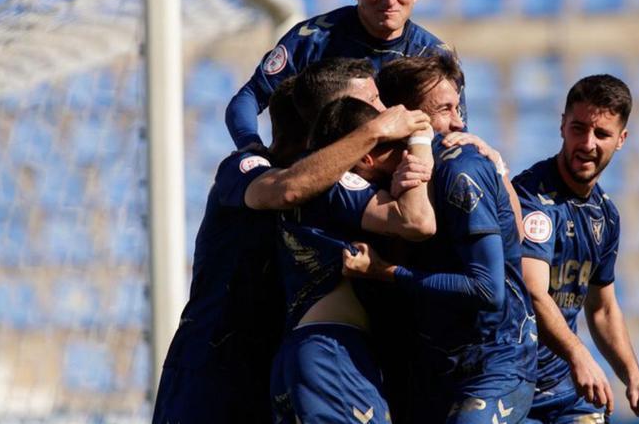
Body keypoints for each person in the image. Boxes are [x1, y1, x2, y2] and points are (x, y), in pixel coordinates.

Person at [152, 71, 431, 424]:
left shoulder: (336, 186)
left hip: (273, 360)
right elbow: (287, 189)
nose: (384, 111)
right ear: (328, 114)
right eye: (371, 102)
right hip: (211, 360)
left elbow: (412, 220)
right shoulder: (247, 167)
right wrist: (374, 132)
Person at [343, 54, 538, 423]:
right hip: (432, 364)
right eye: (445, 109)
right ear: (408, 118)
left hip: (493, 362)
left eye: (457, 107)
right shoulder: (386, 174)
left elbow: (487, 291)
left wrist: (387, 271)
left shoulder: (463, 169)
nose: (459, 121)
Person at [270, 97, 435, 424]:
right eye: (394, 146)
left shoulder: (314, 182)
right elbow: (419, 222)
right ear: (368, 156)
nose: (402, 154)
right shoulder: (343, 180)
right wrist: (421, 140)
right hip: (332, 352)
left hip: (309, 351)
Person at [511, 74, 639, 423]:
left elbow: (603, 310)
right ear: (562, 126)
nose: (588, 143)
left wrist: (632, 376)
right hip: (511, 381)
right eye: (579, 128)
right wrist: (579, 354)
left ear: (621, 139)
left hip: (563, 390)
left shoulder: (605, 215)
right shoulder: (532, 198)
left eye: (602, 134)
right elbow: (532, 292)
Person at [226, 0, 461, 149]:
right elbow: (248, 99)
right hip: (320, 175)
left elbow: (456, 134)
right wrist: (251, 149)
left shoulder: (434, 57)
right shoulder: (311, 40)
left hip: (399, 179)